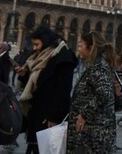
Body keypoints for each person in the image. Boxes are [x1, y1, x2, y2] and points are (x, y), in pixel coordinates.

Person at [15, 26, 78, 154]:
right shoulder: (39, 59)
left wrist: (54, 117)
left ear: (46, 41)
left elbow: (63, 90)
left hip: (50, 118)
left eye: (37, 44)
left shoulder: (61, 58)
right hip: (37, 115)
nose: (34, 48)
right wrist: (24, 76)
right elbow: (38, 85)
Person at [67, 31, 117, 154]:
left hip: (94, 135)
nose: (79, 49)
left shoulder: (98, 67)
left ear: (91, 47)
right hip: (92, 132)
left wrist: (84, 114)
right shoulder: (95, 65)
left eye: (81, 46)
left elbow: (104, 93)